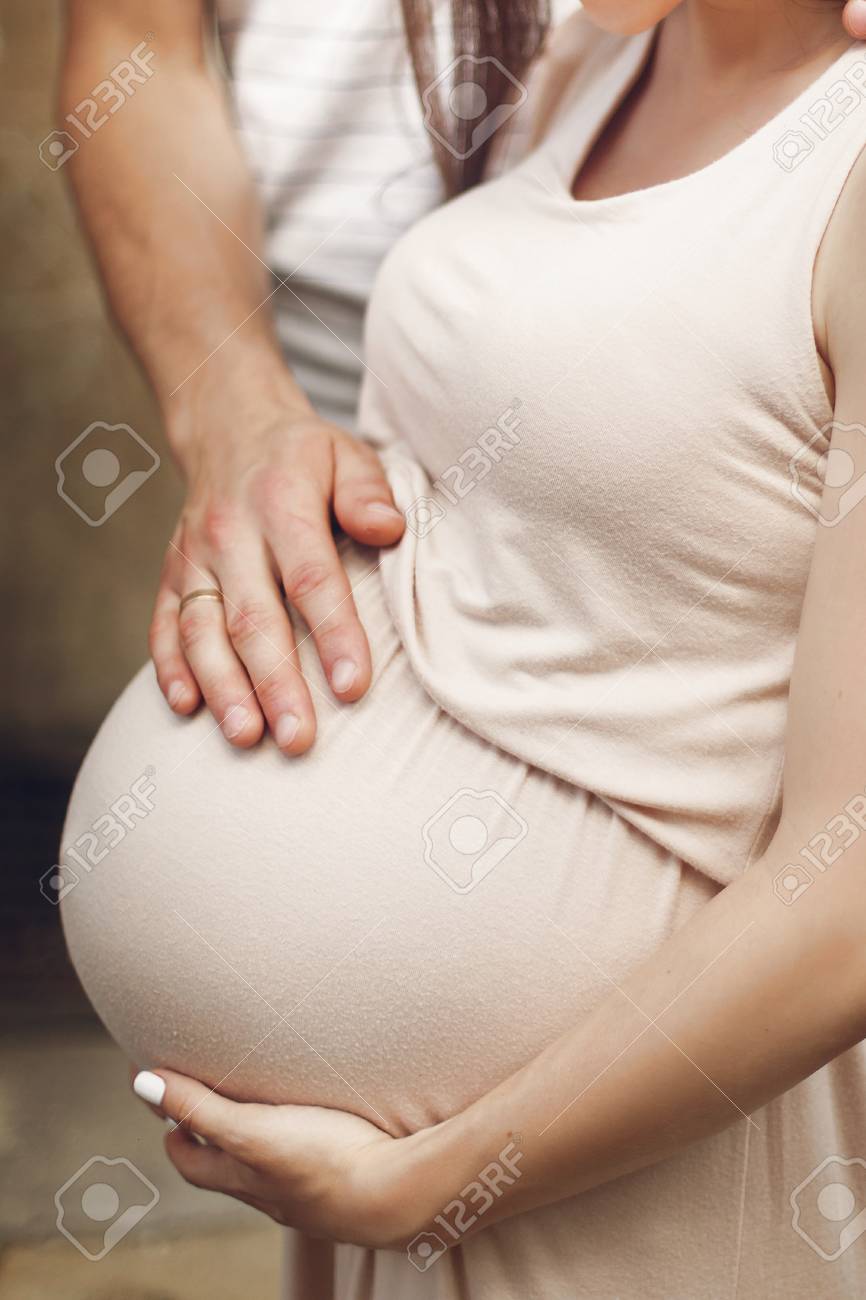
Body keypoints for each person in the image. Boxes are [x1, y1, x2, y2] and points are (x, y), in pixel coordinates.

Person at [61, 0, 866, 1297]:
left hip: (618, 1189)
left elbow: (851, 892)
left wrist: (428, 1186)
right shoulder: (596, 63)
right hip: (401, 1173)